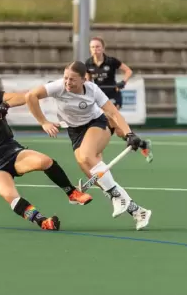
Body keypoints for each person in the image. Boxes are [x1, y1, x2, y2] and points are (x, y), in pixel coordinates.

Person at [0, 68, 93, 231]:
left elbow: (24, 97)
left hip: (12, 151)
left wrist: (4, 105)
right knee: (10, 197)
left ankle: (72, 193)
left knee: (45, 161)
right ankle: (43, 222)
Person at [25, 61, 153, 230]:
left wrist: (129, 133)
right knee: (89, 167)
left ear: (83, 79)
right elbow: (30, 96)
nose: (67, 83)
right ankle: (137, 211)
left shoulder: (93, 90)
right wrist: (44, 122)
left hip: (95, 123)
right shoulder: (58, 87)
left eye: (72, 79)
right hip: (74, 131)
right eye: (65, 78)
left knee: (87, 156)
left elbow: (113, 112)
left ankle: (117, 196)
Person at [85, 36, 133, 110]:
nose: (95, 49)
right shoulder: (88, 63)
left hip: (112, 93)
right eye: (92, 47)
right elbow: (88, 81)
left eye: (98, 46)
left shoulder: (111, 61)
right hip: (98, 94)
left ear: (103, 48)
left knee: (112, 117)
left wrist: (123, 82)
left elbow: (128, 71)